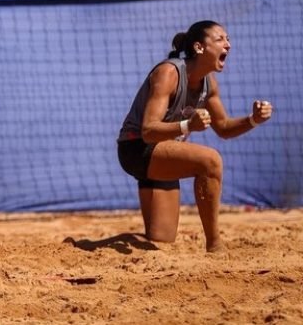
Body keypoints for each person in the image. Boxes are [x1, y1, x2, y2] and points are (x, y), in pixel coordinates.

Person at [117, 20, 273, 252]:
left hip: (163, 153)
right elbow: (148, 131)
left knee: (162, 239)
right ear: (199, 47)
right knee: (210, 161)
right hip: (136, 148)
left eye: (228, 39)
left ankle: (93, 244)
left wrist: (253, 120)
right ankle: (215, 244)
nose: (228, 44)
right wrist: (188, 125)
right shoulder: (168, 73)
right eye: (220, 39)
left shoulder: (209, 84)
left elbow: (224, 128)